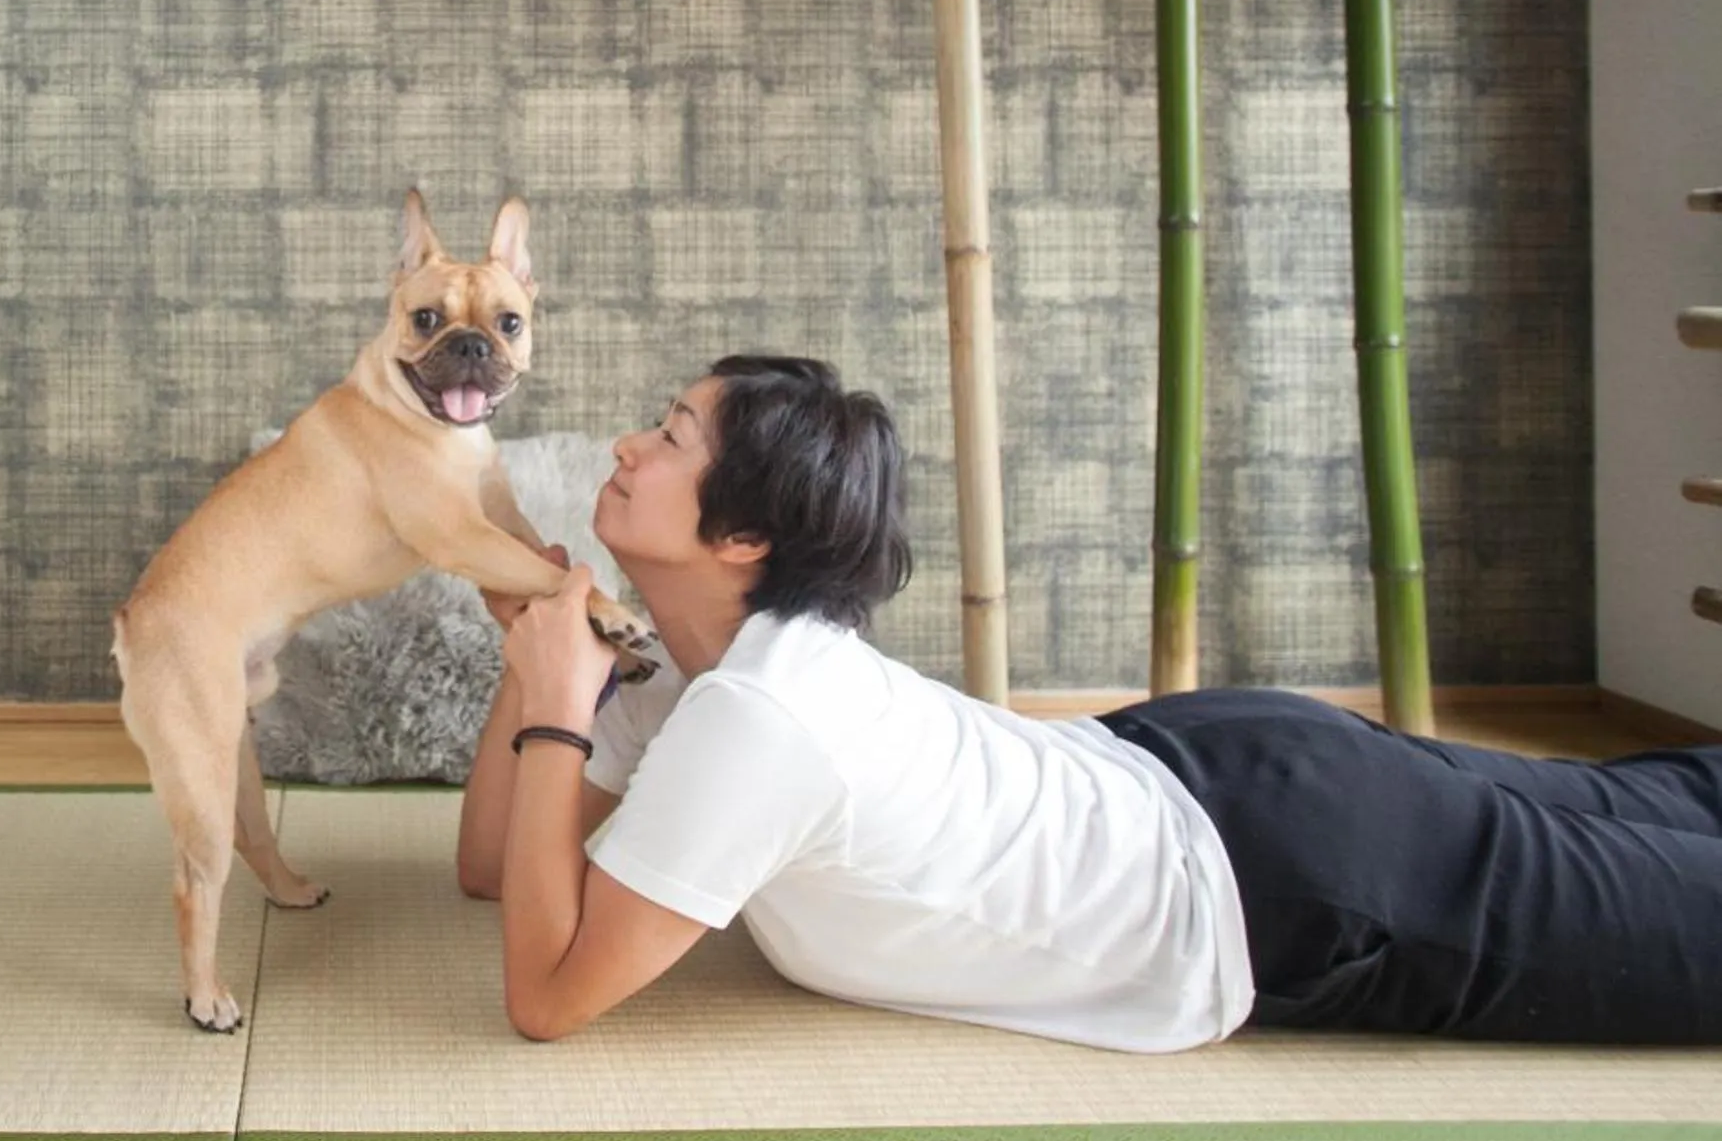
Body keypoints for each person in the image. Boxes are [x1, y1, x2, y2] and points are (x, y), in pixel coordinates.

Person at [456, 354, 1722, 1050]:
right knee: (1650, 799)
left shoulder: (755, 720)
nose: (626, 446)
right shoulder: (698, 671)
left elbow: (549, 999)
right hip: (1197, 764)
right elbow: (486, 868)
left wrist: (556, 714)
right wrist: (531, 668)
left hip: (1283, 871)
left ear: (739, 535)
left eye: (669, 436)